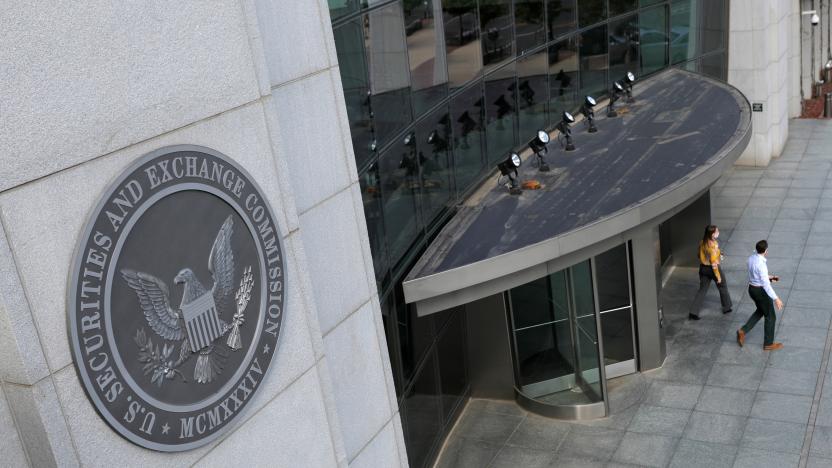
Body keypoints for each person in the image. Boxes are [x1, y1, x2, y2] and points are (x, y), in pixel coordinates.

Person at [737, 240, 784, 351]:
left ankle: (743, 331)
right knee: (770, 316)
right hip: (760, 291)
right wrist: (776, 299)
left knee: (761, 310)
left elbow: (757, 274)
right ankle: (768, 344)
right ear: (766, 251)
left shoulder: (751, 258)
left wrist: (771, 277)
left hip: (752, 289)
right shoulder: (762, 265)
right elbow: (766, 285)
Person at [689, 225, 732, 320]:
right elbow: (714, 264)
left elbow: (698, 255)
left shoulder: (703, 242)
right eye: (717, 231)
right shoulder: (712, 247)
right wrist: (718, 276)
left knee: (702, 289)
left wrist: (719, 253)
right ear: (712, 234)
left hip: (703, 268)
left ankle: (693, 312)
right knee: (722, 285)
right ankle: (727, 307)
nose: (718, 232)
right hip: (712, 269)